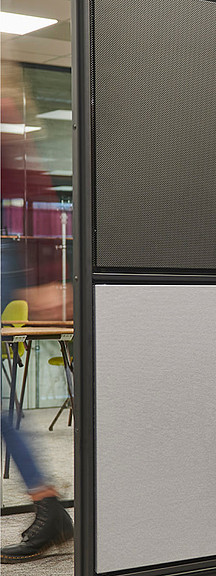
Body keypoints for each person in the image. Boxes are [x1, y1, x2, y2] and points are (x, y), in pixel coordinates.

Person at [1, 60, 75, 564]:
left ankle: (49, 508)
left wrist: (44, 276)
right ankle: (49, 506)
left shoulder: (8, 129)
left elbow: (24, 186)